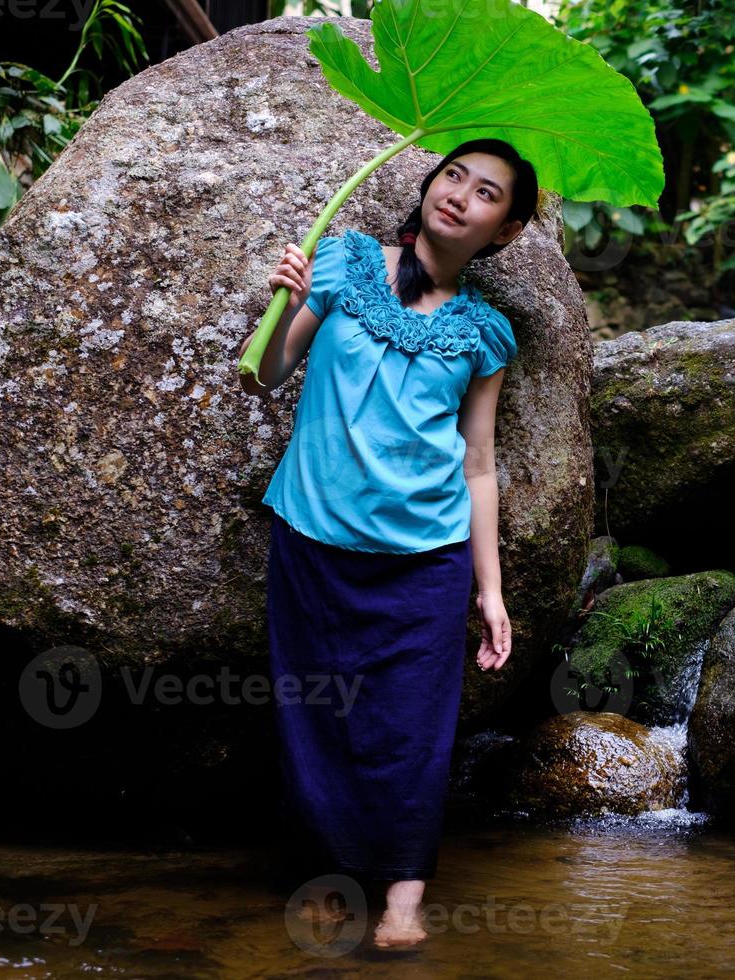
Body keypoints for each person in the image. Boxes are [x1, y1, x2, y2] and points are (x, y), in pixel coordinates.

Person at [237, 137, 539, 948]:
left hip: (426, 558)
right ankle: (333, 877)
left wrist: (491, 591)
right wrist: (280, 303)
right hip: (315, 537)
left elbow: (478, 463)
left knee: (413, 725)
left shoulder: (485, 333)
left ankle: (403, 899)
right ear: (429, 185)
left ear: (505, 231)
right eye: (453, 177)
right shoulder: (340, 266)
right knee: (317, 719)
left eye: (486, 194)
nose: (460, 196)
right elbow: (268, 374)